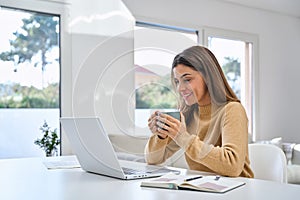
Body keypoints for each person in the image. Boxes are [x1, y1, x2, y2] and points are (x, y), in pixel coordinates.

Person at [145, 45, 254, 178]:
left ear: (208, 77)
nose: (180, 88)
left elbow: (232, 166)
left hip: (237, 191)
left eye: (187, 79)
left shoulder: (232, 110)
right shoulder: (188, 115)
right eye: (177, 81)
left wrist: (183, 137)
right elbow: (152, 160)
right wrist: (160, 136)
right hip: (203, 190)